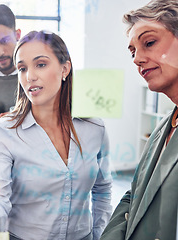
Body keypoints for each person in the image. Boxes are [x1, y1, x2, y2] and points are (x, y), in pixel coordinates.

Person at [0, 30, 113, 240]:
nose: (29, 76)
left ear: (65, 68)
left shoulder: (94, 127)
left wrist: (100, 235)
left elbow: (102, 190)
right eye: (22, 68)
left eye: (40, 64)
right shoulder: (6, 131)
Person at [101, 0, 178, 239]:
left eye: (149, 43)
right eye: (133, 52)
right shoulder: (162, 128)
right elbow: (134, 196)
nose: (136, 59)